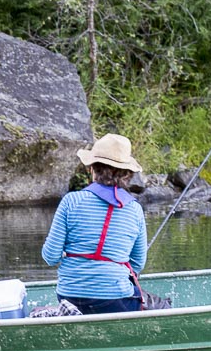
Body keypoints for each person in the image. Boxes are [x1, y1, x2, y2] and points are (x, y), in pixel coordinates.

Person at [41, 133, 147, 314]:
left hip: (69, 296)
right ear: (126, 174)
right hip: (116, 300)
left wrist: (71, 256)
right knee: (157, 303)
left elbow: (50, 256)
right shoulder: (134, 209)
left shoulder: (70, 201)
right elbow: (137, 263)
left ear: (92, 168)